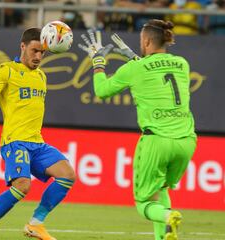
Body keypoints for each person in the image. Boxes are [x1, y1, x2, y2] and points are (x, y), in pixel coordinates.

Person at [79, 19, 197, 240]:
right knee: (161, 187)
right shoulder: (182, 63)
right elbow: (157, 72)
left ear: (147, 40)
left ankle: (167, 215)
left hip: (157, 142)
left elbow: (102, 90)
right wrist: (134, 57)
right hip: (186, 141)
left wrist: (98, 61)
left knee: (144, 202)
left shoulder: (135, 68)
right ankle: (164, 236)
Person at [0, 28, 76, 240]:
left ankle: (36, 224)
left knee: (67, 175)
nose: (38, 56)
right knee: (23, 186)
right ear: (23, 46)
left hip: (37, 144)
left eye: (42, 52)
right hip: (15, 142)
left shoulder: (41, 75)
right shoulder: (7, 70)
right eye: (34, 51)